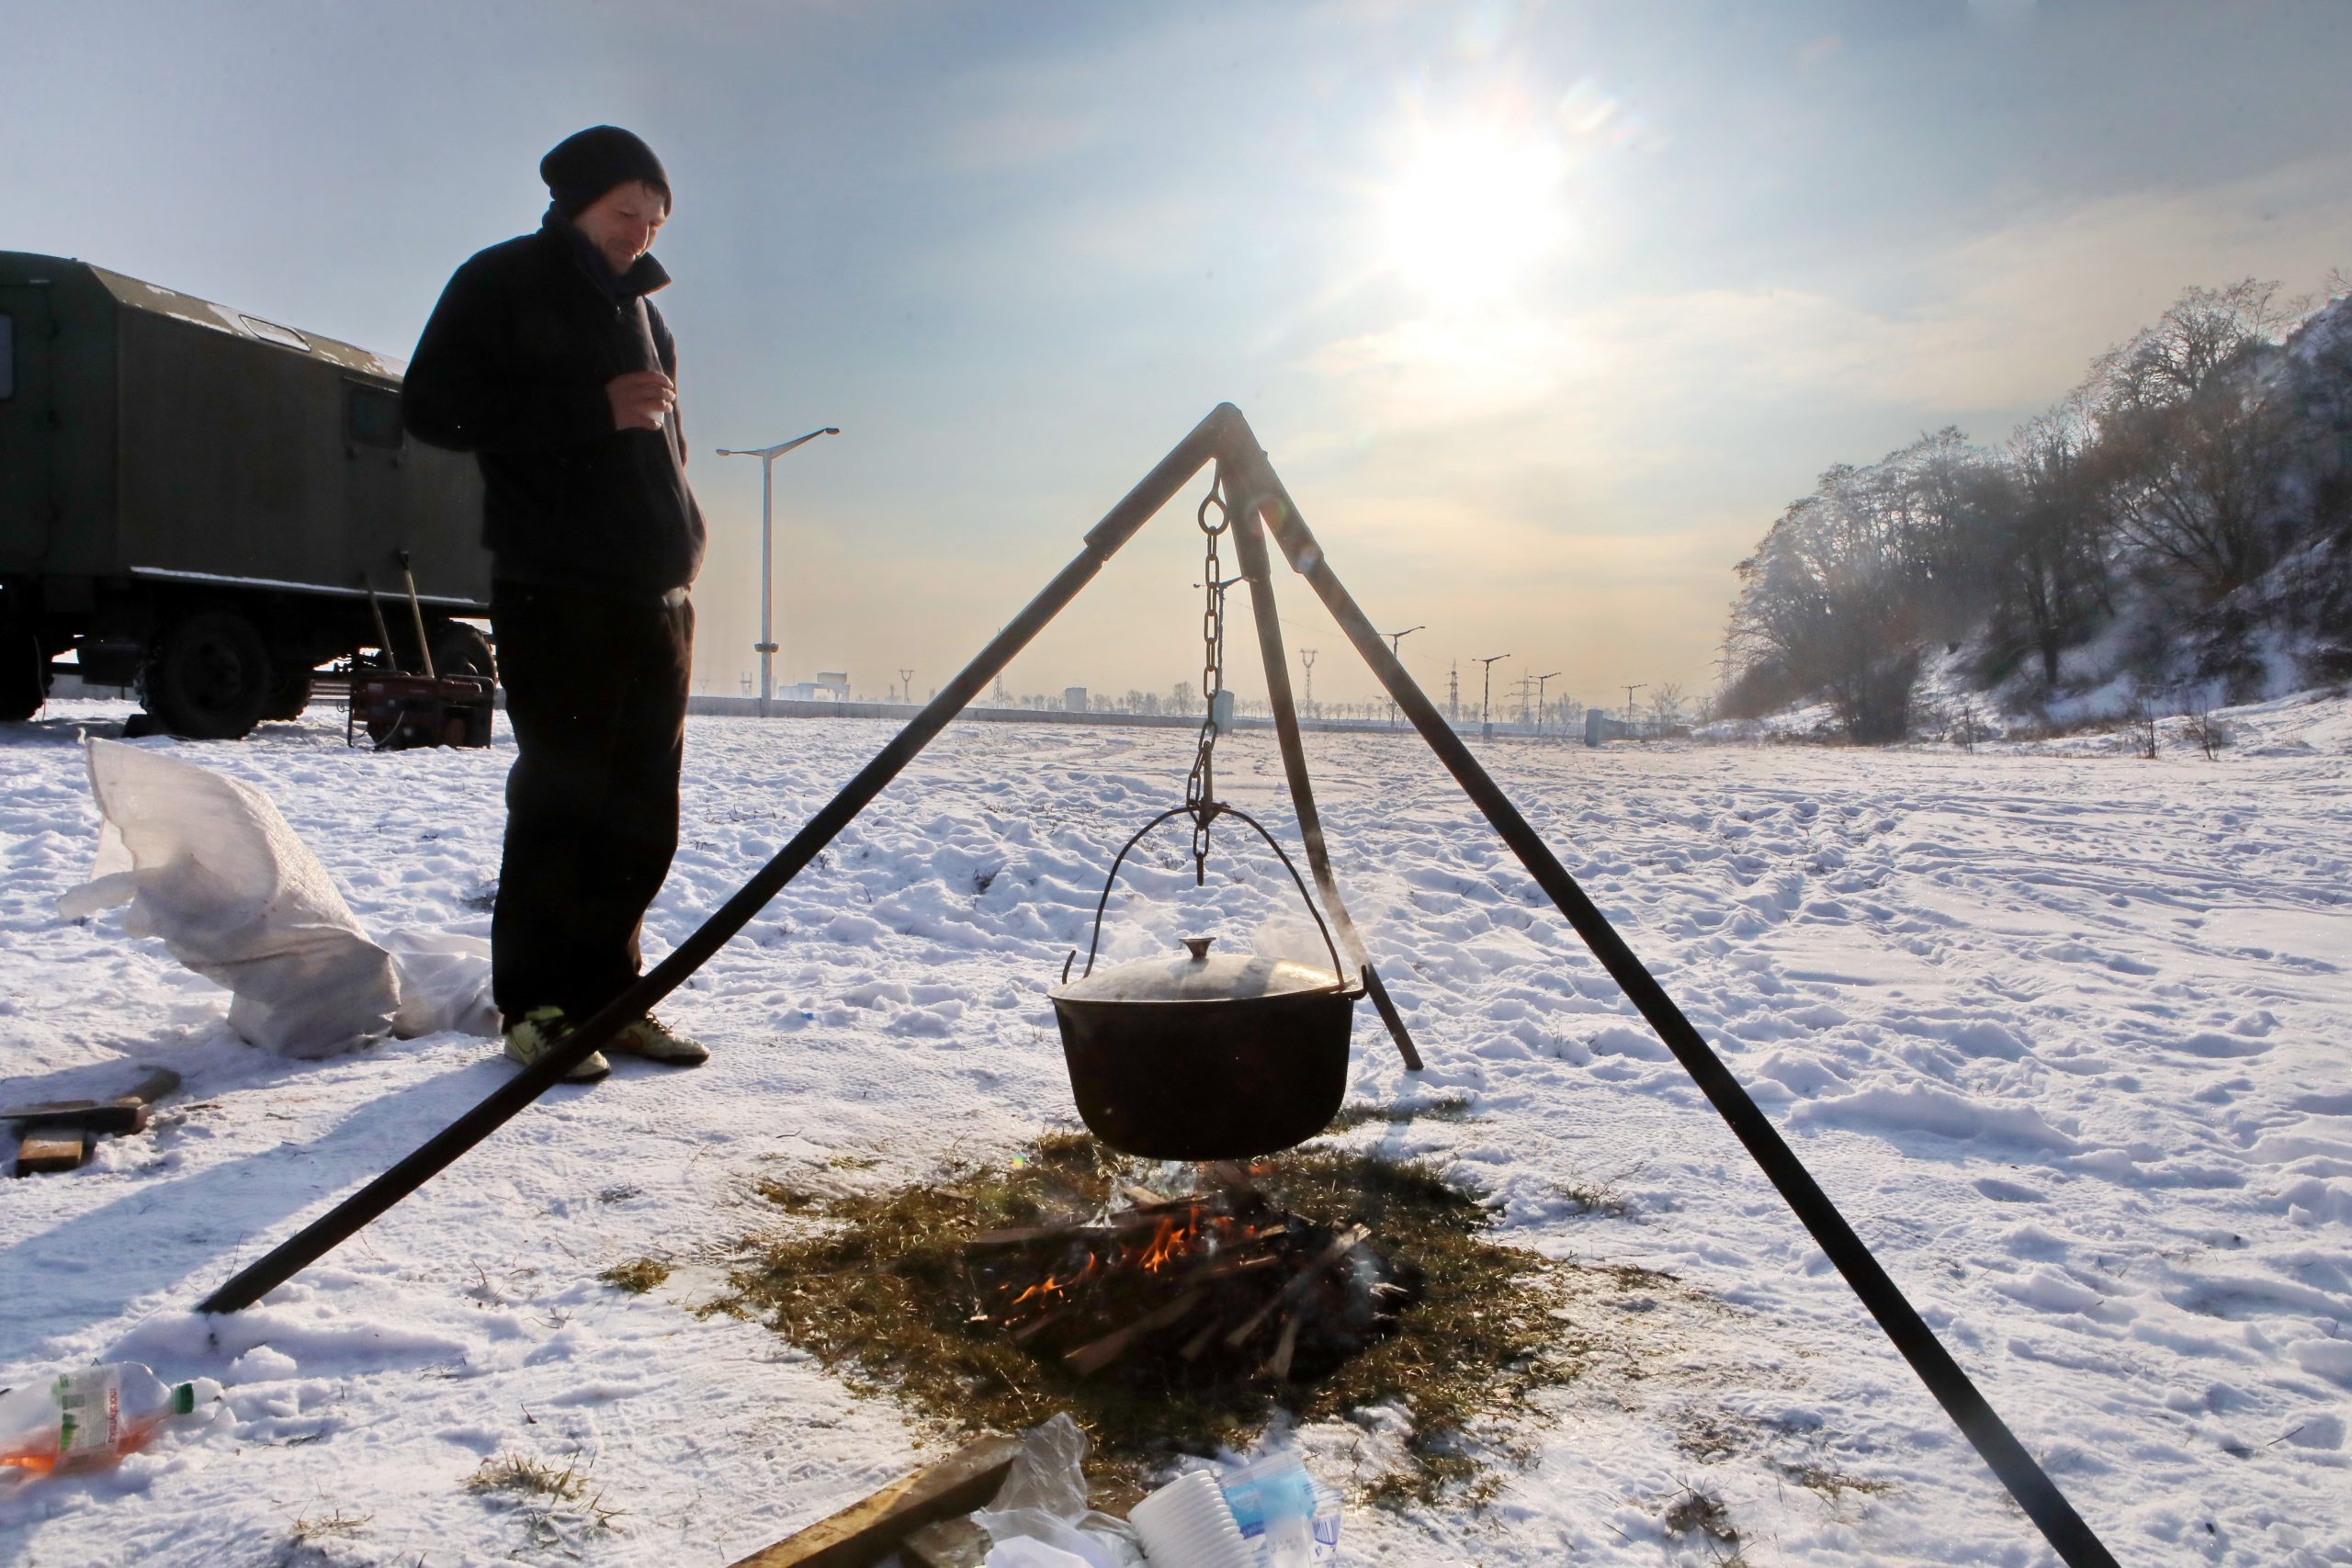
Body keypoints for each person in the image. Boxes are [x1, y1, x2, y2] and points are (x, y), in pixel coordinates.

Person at [402, 125, 709, 1082]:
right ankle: (537, 1006)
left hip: (655, 600)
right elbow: (432, 407)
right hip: (558, 587)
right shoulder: (502, 281)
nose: (640, 232)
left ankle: (612, 1000)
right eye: (625, 213)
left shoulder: (646, 315)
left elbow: (659, 442)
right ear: (574, 203)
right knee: (563, 800)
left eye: (655, 218)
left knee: (639, 813)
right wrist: (591, 407)